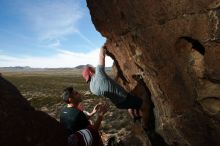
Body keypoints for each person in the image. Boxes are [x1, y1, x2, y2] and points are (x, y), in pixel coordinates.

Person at [82, 46, 144, 122]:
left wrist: (116, 78)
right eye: (92, 68)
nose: (94, 67)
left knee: (130, 105)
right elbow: (101, 56)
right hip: (124, 98)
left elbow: (107, 85)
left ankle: (134, 117)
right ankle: (145, 125)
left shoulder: (92, 88)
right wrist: (103, 47)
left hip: (118, 104)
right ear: (91, 72)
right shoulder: (99, 74)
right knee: (142, 104)